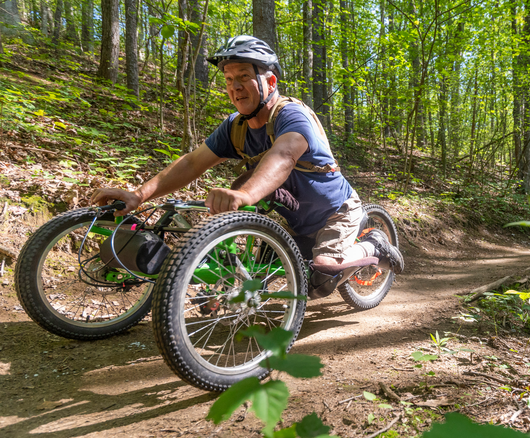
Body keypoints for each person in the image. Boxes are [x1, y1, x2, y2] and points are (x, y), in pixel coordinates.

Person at [90, 35, 403, 282]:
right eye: (228, 79)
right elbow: (191, 163)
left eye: (243, 76)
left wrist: (243, 195)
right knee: (261, 272)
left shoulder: (291, 115)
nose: (235, 87)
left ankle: (374, 245)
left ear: (270, 82)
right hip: (294, 221)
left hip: (337, 212)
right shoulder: (234, 127)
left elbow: (283, 155)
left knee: (322, 271)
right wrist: (138, 195)